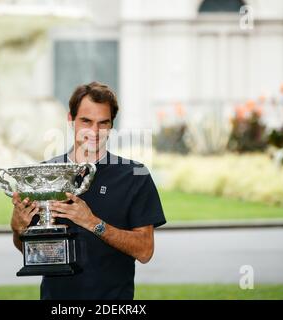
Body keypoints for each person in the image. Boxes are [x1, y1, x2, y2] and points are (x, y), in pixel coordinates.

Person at [10, 81, 166, 300]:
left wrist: (93, 223)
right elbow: (30, 250)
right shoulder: (43, 174)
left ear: (112, 125)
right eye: (86, 121)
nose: (94, 131)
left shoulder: (135, 175)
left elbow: (145, 251)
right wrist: (18, 230)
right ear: (70, 119)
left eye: (103, 123)